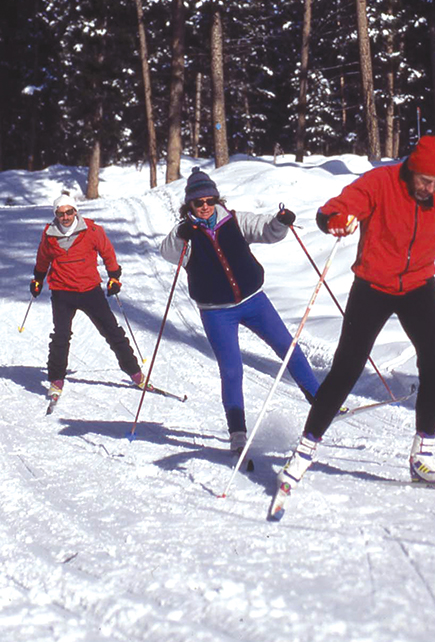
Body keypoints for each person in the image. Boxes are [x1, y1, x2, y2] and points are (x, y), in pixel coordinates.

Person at [276, 136, 435, 499]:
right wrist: (336, 221)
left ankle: (423, 455)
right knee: (346, 370)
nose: (430, 189)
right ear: (411, 170)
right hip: (373, 285)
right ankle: (304, 451)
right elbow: (332, 209)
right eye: (424, 181)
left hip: (419, 285)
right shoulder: (381, 182)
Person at [159, 167, 320, 455]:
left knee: (289, 348)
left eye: (210, 200)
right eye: (199, 203)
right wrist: (182, 235)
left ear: (217, 200)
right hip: (216, 311)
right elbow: (167, 253)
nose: (206, 207)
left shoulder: (234, 220)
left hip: (254, 301)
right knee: (232, 370)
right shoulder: (185, 232)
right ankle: (237, 433)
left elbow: (267, 230)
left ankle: (320, 402)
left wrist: (281, 222)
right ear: (190, 205)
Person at [30, 193, 145, 402]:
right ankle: (56, 380)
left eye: (69, 212)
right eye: (61, 213)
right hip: (62, 292)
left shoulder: (91, 230)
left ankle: (136, 374)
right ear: (55, 214)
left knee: (112, 331)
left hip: (89, 290)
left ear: (76, 211)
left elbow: (107, 252)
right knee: (61, 336)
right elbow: (43, 257)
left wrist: (114, 277)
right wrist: (37, 278)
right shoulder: (49, 234)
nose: (65, 216)